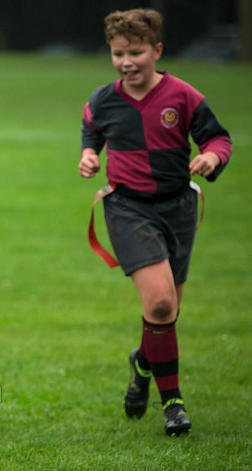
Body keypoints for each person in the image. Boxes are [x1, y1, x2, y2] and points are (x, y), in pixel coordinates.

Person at [79, 8, 232, 436]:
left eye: (137, 52)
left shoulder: (183, 96)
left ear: (157, 51)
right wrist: (90, 155)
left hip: (178, 208)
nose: (127, 62)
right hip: (127, 208)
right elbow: (92, 132)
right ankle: (173, 404)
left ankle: (144, 363)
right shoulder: (102, 100)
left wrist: (211, 155)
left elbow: (219, 137)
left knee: (165, 311)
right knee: (162, 304)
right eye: (118, 53)